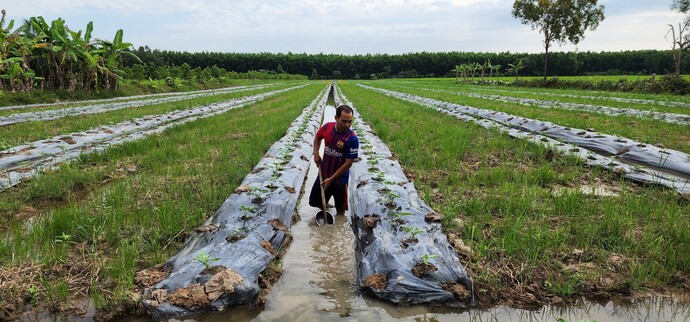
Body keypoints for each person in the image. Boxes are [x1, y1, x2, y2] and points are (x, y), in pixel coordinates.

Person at [309, 104, 359, 216]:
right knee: (315, 202)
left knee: (340, 211)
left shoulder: (352, 139)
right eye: (344, 121)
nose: (347, 125)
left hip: (339, 180)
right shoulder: (327, 127)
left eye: (350, 121)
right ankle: (326, 206)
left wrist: (331, 179)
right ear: (336, 118)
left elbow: (348, 163)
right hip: (324, 173)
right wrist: (316, 153)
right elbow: (317, 137)